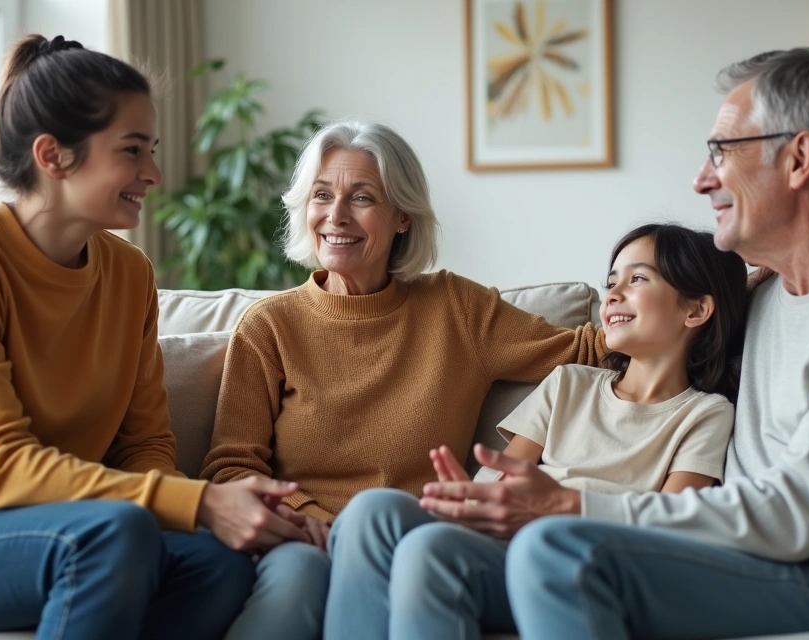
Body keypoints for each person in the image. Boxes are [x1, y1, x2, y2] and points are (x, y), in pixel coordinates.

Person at [419, 47, 809, 639]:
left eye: (722, 151)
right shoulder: (771, 295)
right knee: (436, 554)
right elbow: (683, 318)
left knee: (558, 548)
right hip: (737, 557)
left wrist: (572, 503)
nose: (701, 179)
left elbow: (799, 515)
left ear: (799, 158)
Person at [0, 35, 304, 640]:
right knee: (115, 533)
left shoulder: (130, 275)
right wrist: (201, 503)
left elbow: (145, 444)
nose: (154, 174)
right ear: (53, 156)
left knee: (218, 565)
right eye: (133, 151)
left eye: (151, 150)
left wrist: (227, 516)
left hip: (58, 530)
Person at [202, 120, 610, 640]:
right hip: (303, 539)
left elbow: (585, 350)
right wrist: (308, 520)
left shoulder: (456, 309)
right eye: (322, 195)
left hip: (413, 537)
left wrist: (720, 289)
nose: (336, 216)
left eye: (362, 197)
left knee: (371, 520)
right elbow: (230, 464)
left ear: (402, 218)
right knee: (298, 577)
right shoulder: (270, 326)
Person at [325, 223, 749, 639]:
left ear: (696, 310)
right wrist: (473, 500)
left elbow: (674, 521)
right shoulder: (569, 383)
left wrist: (554, 504)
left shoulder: (705, 414)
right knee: (371, 510)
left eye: (638, 278)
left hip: (575, 560)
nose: (613, 294)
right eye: (612, 281)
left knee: (428, 551)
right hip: (504, 538)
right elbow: (504, 479)